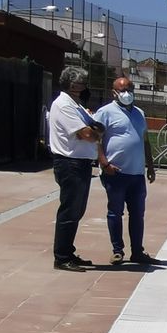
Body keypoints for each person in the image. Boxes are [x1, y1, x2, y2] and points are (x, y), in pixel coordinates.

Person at [94, 75, 157, 266]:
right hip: (115, 173)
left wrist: (150, 165)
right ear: (114, 92)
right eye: (122, 90)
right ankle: (117, 251)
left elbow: (144, 140)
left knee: (138, 214)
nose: (126, 93)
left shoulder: (139, 113)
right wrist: (104, 164)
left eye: (129, 89)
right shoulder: (105, 113)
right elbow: (96, 141)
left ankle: (137, 251)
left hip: (137, 174)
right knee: (115, 212)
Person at [47, 65, 101, 270]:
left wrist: (95, 130)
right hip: (70, 163)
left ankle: (68, 251)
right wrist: (97, 134)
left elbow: (93, 126)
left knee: (77, 210)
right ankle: (62, 257)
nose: (84, 86)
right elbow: (86, 133)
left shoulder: (75, 105)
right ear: (71, 84)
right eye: (80, 83)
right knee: (70, 210)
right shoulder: (64, 105)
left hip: (80, 163)